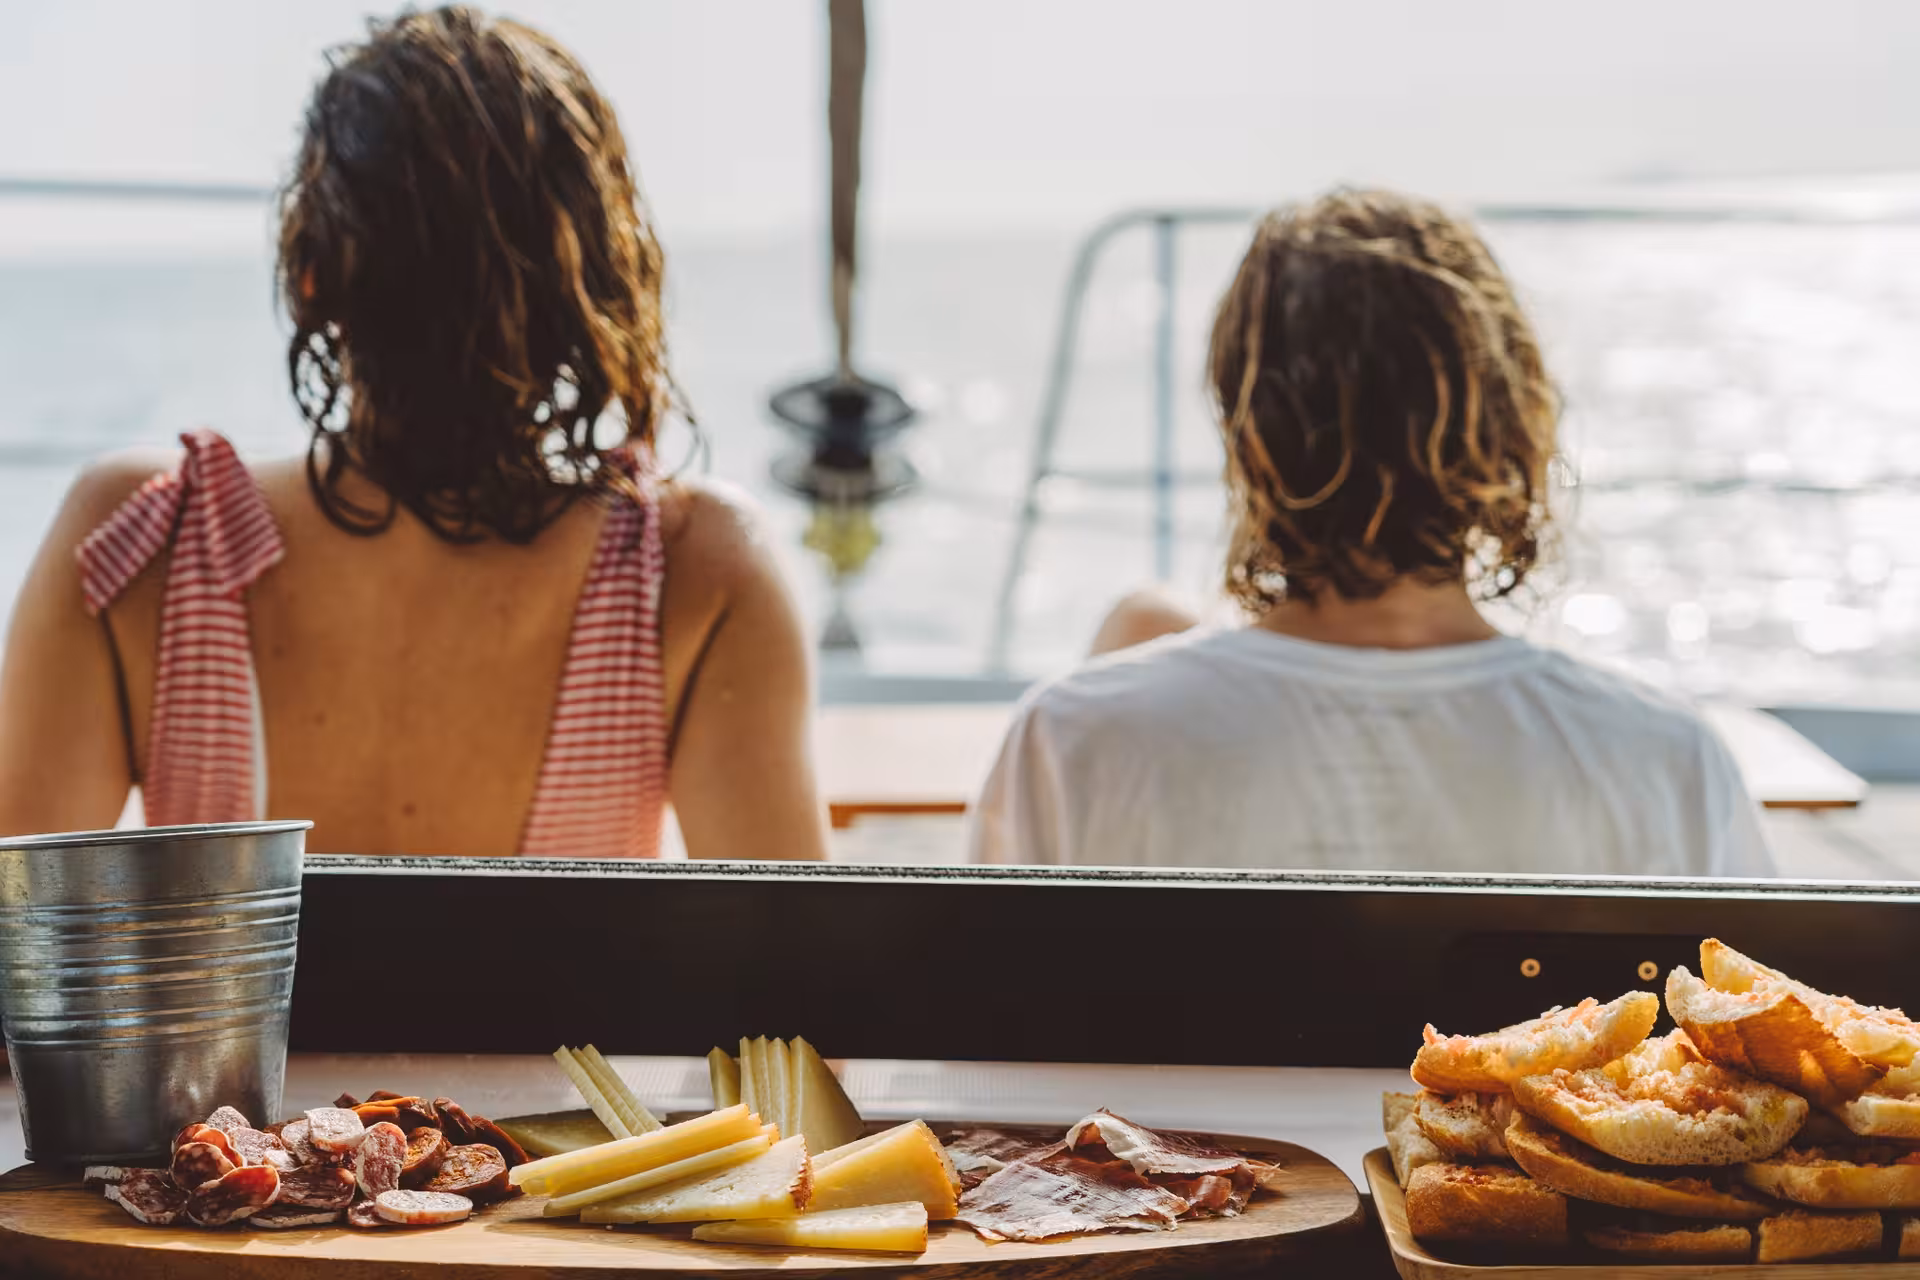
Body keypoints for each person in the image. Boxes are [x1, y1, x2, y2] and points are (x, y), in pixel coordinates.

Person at [0, 7, 828, 860]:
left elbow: (21, 962)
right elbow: (794, 977)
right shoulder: (696, 577)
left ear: (312, 276)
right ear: (589, 287)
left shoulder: (140, 547)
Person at [972, 189, 1772, 877]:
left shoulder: (1073, 739)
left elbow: (976, 1039)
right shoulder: (1668, 760)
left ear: (1249, 440)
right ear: (1515, 428)